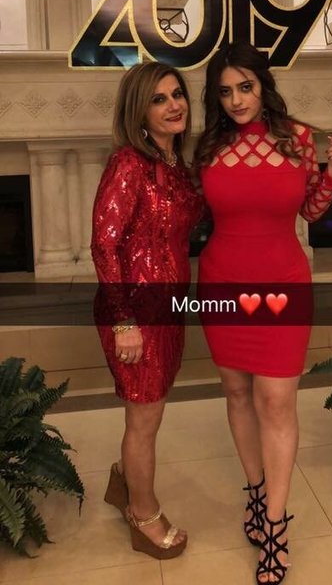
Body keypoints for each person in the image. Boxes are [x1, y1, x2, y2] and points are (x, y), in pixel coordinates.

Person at [194, 43, 332, 584]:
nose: (236, 100)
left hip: (284, 282)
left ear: (264, 85)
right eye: (225, 91)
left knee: (277, 401)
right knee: (238, 394)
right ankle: (257, 495)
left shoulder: (299, 139)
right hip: (221, 284)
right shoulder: (208, 146)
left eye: (246, 87)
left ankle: (276, 525)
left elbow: (311, 210)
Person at [91, 61, 202, 560]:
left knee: (149, 411)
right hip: (134, 312)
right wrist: (125, 322)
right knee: (145, 418)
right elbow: (104, 244)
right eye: (159, 99)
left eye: (177, 94)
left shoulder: (176, 166)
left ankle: (123, 482)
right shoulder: (128, 164)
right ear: (139, 112)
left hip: (169, 307)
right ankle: (143, 513)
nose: (174, 105)